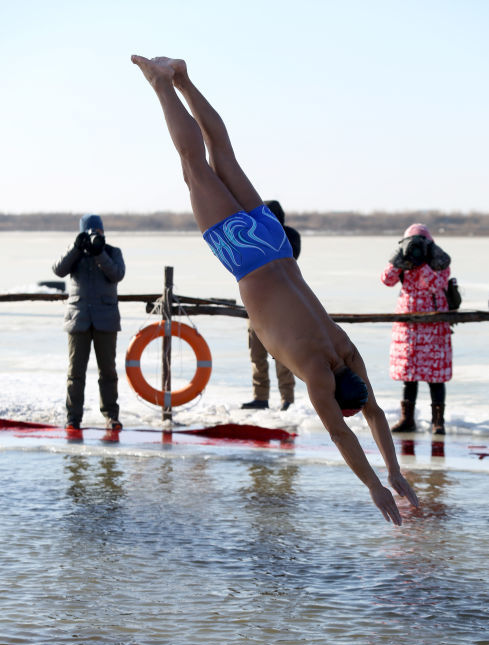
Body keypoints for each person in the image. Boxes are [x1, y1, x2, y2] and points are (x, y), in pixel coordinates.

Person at [131, 55, 418, 525]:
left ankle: (183, 78)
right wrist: (374, 485)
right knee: (194, 167)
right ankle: (162, 83)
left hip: (276, 244)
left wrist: (394, 471)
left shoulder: (345, 350)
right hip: (247, 258)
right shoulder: (317, 371)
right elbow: (344, 435)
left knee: (223, 155)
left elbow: (375, 415)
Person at [52, 214, 125, 430]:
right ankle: (73, 418)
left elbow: (117, 274)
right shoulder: (75, 252)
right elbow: (58, 270)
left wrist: (99, 252)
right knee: (75, 372)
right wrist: (77, 248)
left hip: (106, 320)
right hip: (78, 319)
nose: (96, 235)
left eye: (99, 231)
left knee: (108, 371)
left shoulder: (112, 252)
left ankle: (111, 416)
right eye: (91, 232)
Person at [381, 223, 452, 435]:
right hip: (408, 328)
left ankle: (438, 422)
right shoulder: (403, 261)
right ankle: (407, 419)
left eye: (420, 243)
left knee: (435, 377)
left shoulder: (439, 261)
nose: (416, 248)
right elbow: (387, 280)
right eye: (412, 243)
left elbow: (435, 285)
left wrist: (422, 264)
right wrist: (400, 258)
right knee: (409, 376)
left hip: (434, 326)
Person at [241, 199, 300, 411]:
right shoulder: (253, 236)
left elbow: (287, 257)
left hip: (281, 303)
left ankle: (287, 398)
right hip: (256, 302)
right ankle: (260, 397)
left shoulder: (289, 236)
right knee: (256, 353)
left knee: (282, 353)